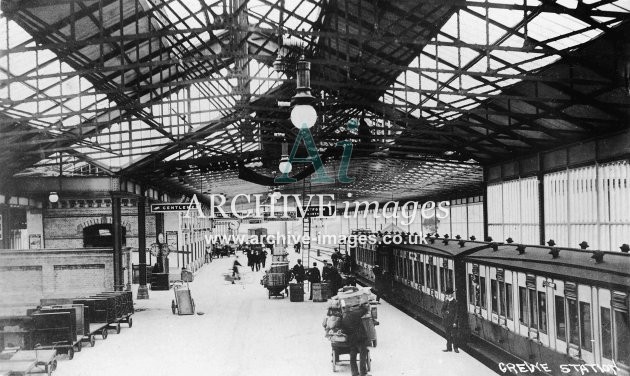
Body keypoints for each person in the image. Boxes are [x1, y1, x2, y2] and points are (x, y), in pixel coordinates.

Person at [340, 305, 371, 376]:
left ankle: (354, 373)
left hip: (351, 340)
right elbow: (363, 311)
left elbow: (344, 331)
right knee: (363, 354)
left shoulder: (344, 320)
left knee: (353, 356)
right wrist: (363, 307)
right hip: (360, 338)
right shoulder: (354, 314)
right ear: (350, 309)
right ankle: (363, 373)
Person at [441, 288, 459, 353]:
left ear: (452, 294)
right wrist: (446, 312)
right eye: (448, 294)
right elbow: (442, 310)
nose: (449, 295)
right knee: (448, 335)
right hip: (446, 321)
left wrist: (455, 322)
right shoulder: (446, 302)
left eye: (450, 294)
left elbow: (457, 313)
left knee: (454, 335)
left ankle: (456, 348)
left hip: (453, 322)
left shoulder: (455, 302)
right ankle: (449, 348)